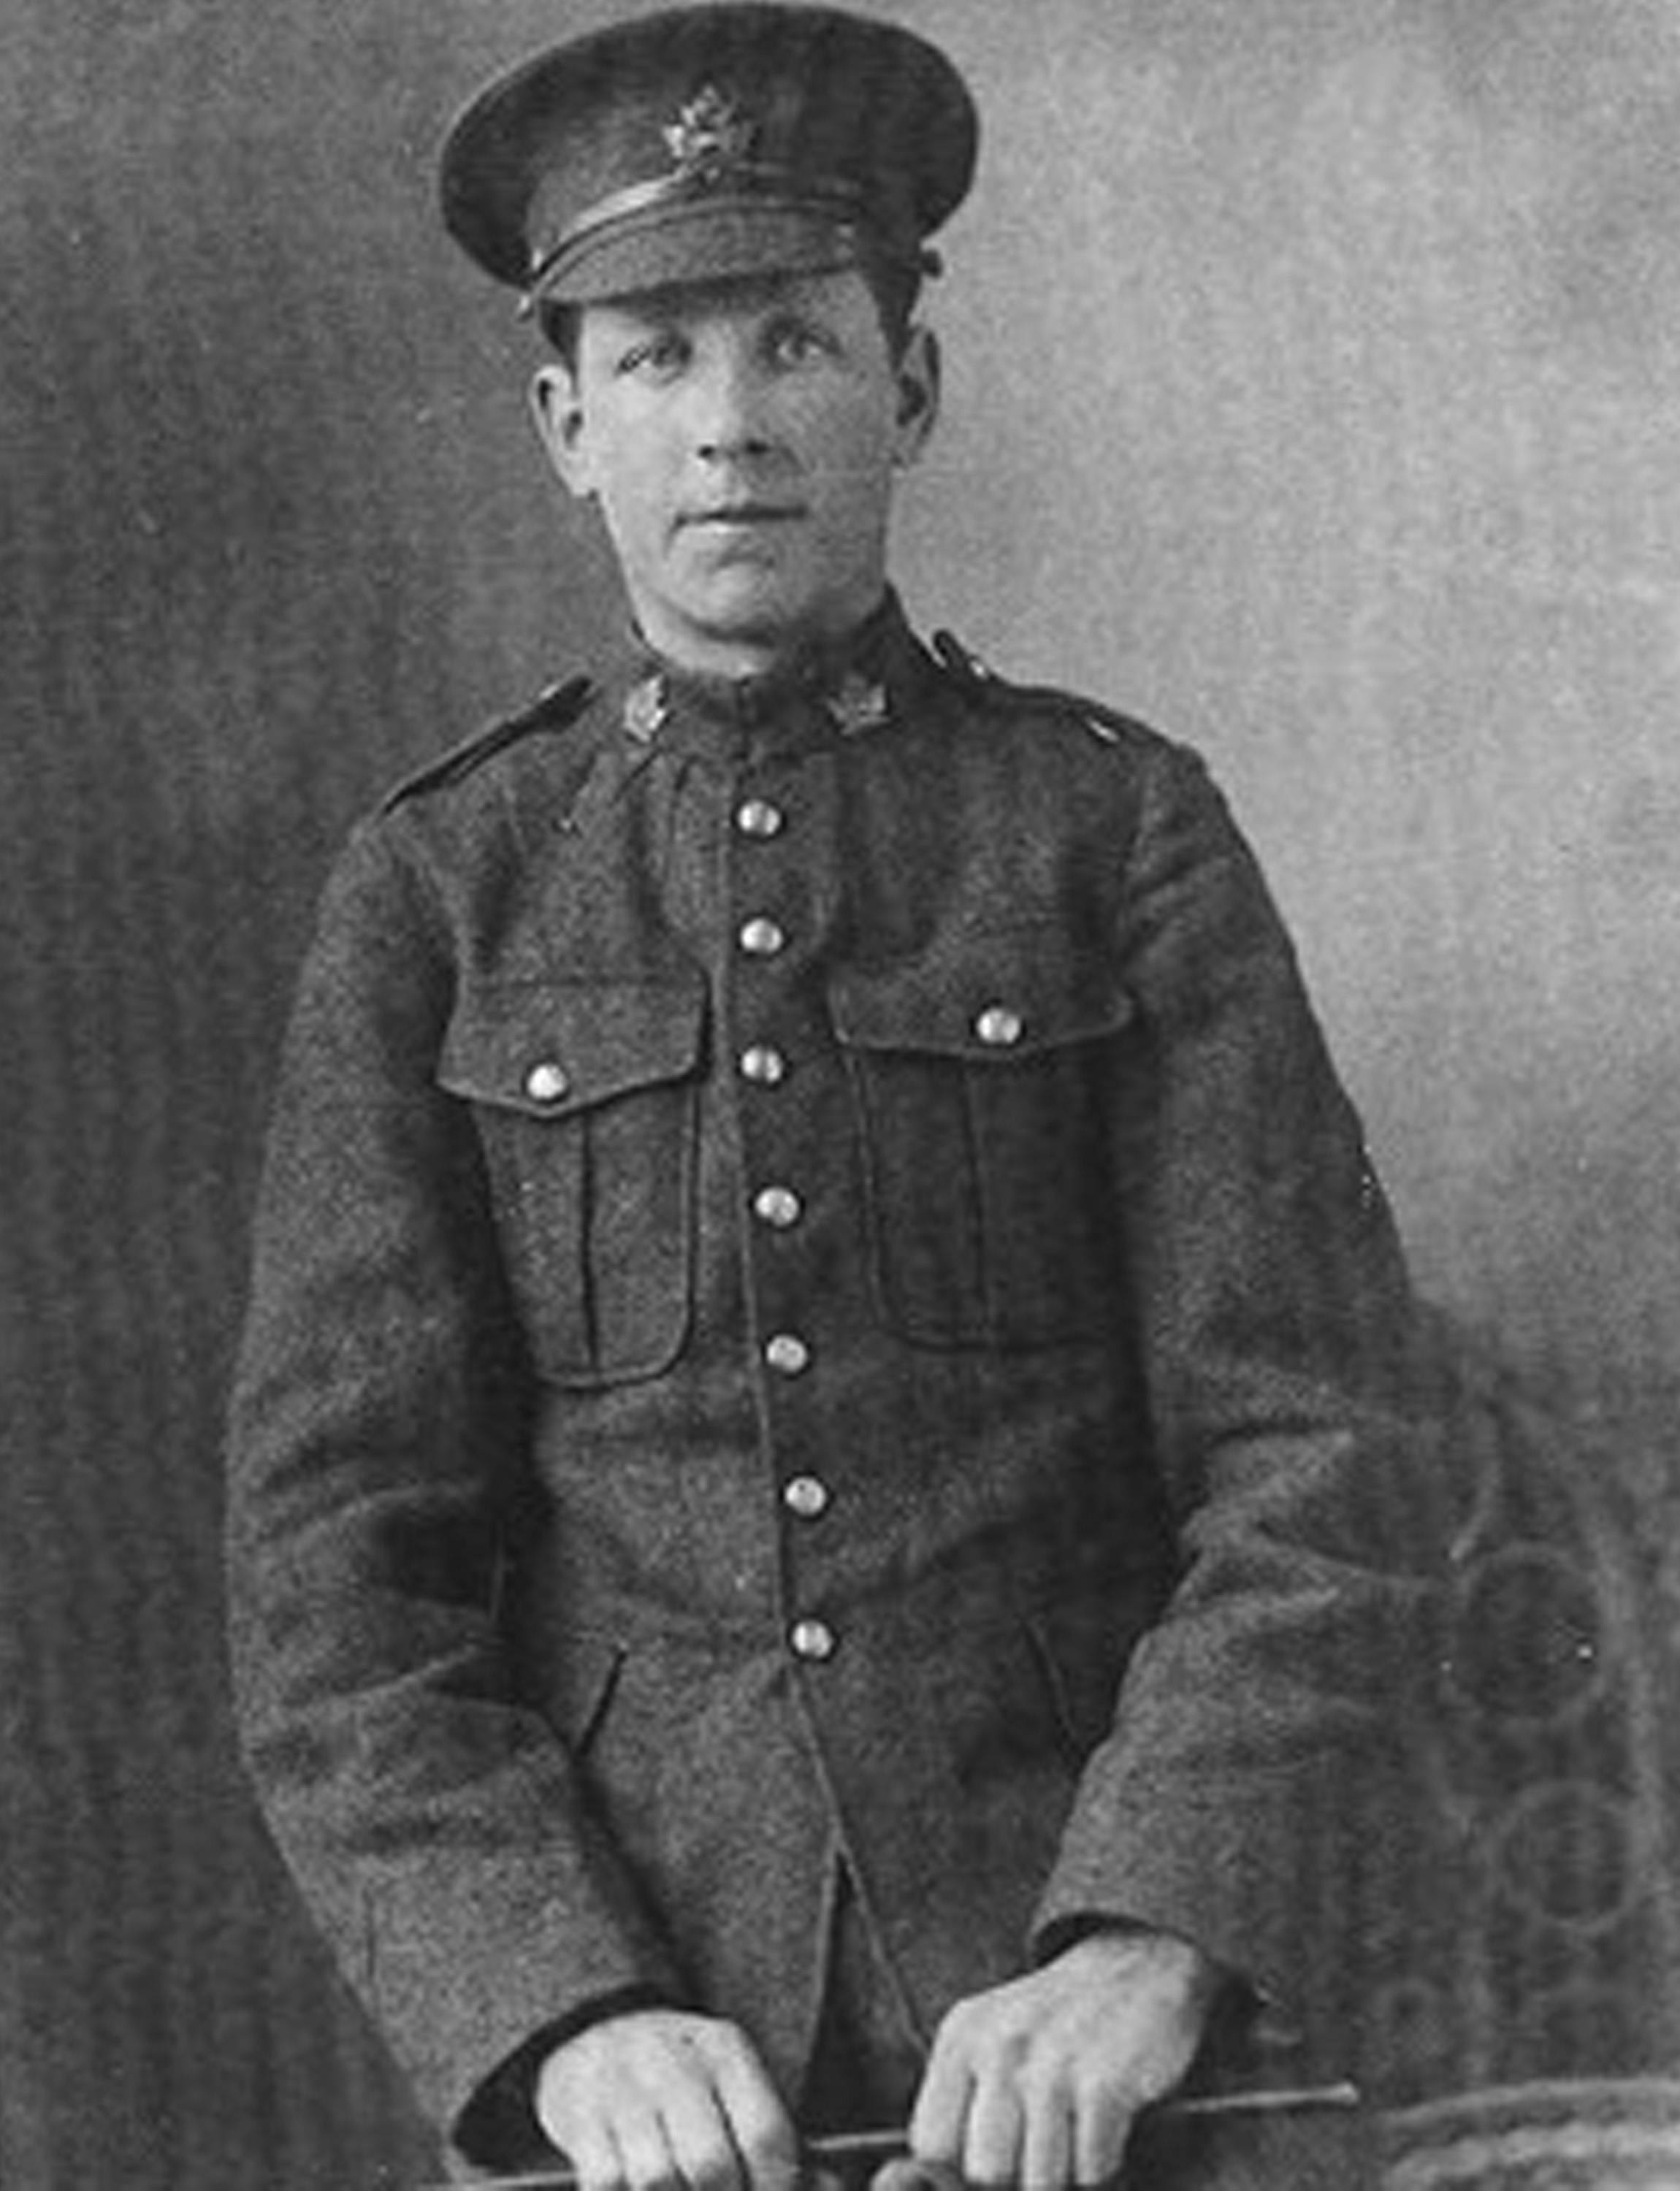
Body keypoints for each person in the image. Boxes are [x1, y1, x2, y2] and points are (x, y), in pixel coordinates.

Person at [225, 7, 1446, 2187]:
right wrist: (560, 2009)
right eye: (657, 359)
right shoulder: (442, 887)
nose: (730, 427)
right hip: (641, 2071)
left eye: (794, 341)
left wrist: (1148, 1934)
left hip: (1099, 2039)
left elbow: (1323, 1448)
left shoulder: (1114, 833)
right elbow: (339, 1583)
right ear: (564, 423)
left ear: (912, 385)